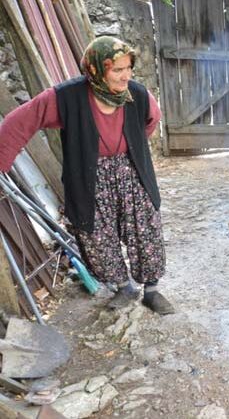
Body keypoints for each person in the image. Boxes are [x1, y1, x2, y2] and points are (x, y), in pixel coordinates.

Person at [0, 36, 174, 315]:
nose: (125, 75)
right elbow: (19, 122)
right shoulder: (66, 97)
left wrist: (132, 147)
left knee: (145, 229)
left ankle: (152, 291)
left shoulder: (138, 94)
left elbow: (151, 120)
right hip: (89, 174)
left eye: (128, 67)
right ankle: (123, 287)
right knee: (96, 235)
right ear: (95, 69)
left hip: (131, 169)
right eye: (117, 70)